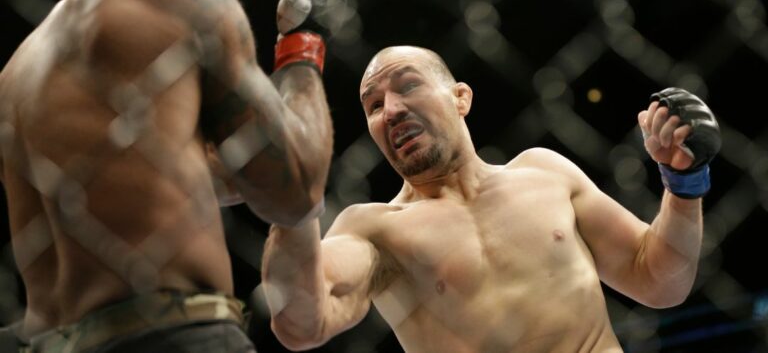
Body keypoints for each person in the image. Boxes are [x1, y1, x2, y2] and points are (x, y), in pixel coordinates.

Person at [0, 0, 345, 352]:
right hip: (175, 334)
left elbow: (185, 175)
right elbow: (296, 189)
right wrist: (304, 38)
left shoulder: (17, 72)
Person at [261, 46, 721, 352]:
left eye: (407, 85)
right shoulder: (375, 230)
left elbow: (659, 280)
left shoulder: (545, 174)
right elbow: (301, 320)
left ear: (460, 97)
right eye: (374, 105)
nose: (393, 109)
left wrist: (684, 181)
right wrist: (291, 204)